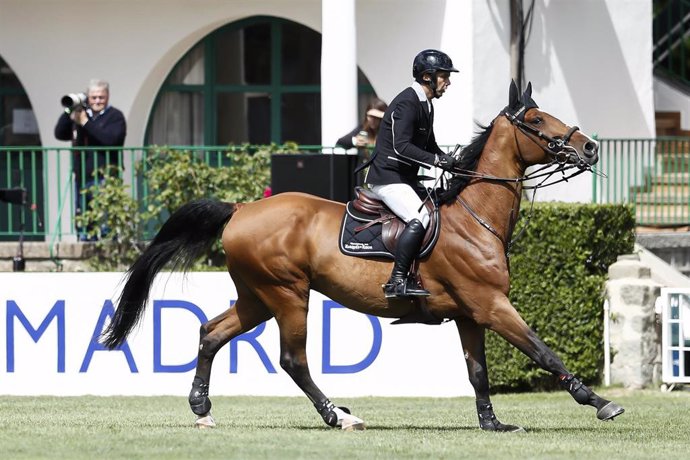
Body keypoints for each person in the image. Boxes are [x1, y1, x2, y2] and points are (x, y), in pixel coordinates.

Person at [363, 49, 459, 298]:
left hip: (405, 178)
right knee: (420, 219)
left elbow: (429, 145)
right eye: (444, 76)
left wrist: (451, 161)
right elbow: (401, 146)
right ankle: (396, 280)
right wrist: (437, 160)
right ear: (428, 77)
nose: (448, 82)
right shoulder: (407, 102)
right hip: (387, 179)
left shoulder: (426, 104)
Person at [54, 79, 126, 239]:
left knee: (106, 221)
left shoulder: (115, 116)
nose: (97, 101)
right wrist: (69, 111)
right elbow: (59, 134)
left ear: (108, 97)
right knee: (85, 221)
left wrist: (86, 123)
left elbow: (110, 140)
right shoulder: (81, 116)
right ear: (88, 97)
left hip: (105, 177)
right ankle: (86, 247)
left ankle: (108, 252)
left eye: (101, 97)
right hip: (82, 176)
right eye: (93, 97)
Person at [336, 98, 388, 185]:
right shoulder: (362, 129)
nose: (372, 120)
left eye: (376, 117)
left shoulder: (388, 131)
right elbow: (341, 141)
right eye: (370, 116)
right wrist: (355, 141)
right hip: (364, 177)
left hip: (383, 175)